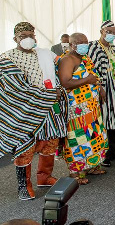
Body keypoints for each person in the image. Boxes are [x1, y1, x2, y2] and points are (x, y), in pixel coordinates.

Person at [1, 22, 67, 199]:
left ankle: (44, 177)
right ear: (15, 38)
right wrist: (46, 94)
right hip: (25, 111)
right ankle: (24, 185)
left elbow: (62, 65)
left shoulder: (44, 53)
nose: (28, 39)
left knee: (50, 142)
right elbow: (13, 88)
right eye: (23, 36)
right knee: (25, 147)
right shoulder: (7, 59)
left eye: (31, 35)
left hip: (49, 107)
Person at [57, 33, 108, 186]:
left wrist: (99, 89)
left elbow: (94, 77)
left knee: (92, 136)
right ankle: (75, 173)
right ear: (72, 44)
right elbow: (65, 82)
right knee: (77, 139)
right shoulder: (67, 60)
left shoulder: (85, 58)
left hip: (91, 108)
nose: (83, 44)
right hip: (77, 111)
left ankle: (91, 166)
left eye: (85, 42)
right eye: (79, 42)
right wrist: (88, 80)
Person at [88, 20, 115, 167]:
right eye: (108, 31)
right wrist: (100, 89)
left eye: (113, 32)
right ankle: (103, 155)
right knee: (104, 121)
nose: (111, 34)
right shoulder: (92, 47)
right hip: (103, 89)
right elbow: (91, 70)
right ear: (101, 31)